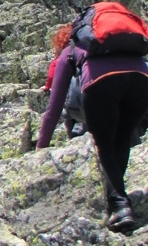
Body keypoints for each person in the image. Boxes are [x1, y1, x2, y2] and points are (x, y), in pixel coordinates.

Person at [37, 19, 148, 234]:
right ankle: (116, 193)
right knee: (122, 138)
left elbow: (53, 109)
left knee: (103, 143)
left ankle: (119, 204)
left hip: (101, 85)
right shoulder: (125, 46)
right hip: (142, 82)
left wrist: (41, 150)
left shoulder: (71, 50)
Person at [43, 24, 84, 138]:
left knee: (70, 117)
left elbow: (51, 76)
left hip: (71, 100)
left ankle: (75, 136)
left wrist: (47, 87)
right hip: (87, 92)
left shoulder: (60, 60)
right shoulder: (84, 52)